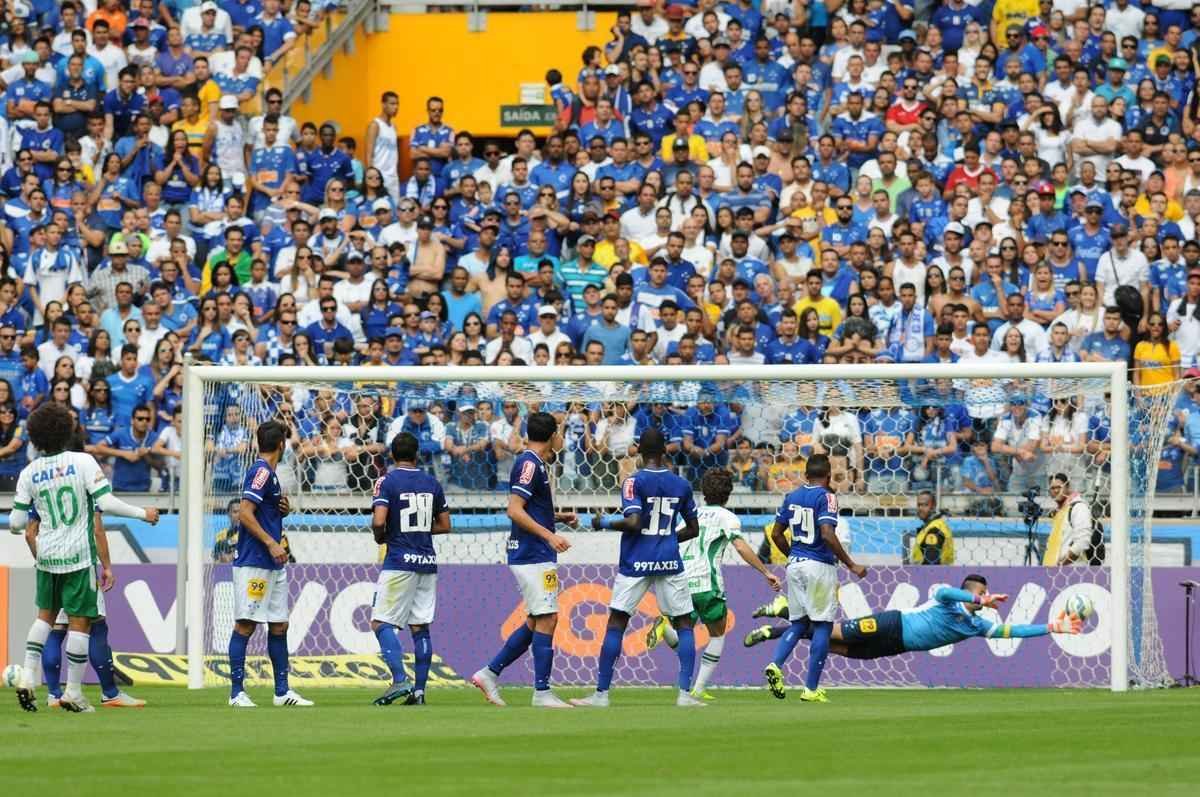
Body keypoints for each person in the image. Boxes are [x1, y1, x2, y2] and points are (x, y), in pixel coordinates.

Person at [10, 402, 160, 713]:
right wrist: (142, 513)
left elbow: (15, 524)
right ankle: (74, 693)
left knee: (45, 619)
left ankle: (27, 674)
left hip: (47, 558)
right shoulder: (82, 462)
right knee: (81, 625)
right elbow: (106, 502)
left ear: (35, 437)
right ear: (67, 430)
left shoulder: (28, 473)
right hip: (78, 558)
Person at [571, 428, 703, 708]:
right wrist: (666, 539)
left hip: (636, 561)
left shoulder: (633, 482)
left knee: (617, 621)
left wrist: (602, 523)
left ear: (638, 450)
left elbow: (633, 522)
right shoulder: (681, 485)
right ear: (665, 450)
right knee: (683, 624)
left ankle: (601, 695)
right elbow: (693, 529)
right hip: (669, 560)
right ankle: (685, 695)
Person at [643, 468, 781, 699]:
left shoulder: (688, 514)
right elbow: (740, 546)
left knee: (684, 634)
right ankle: (697, 689)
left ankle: (665, 630)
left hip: (680, 581)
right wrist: (765, 571)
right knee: (717, 634)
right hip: (707, 583)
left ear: (703, 492)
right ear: (728, 494)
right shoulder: (727, 517)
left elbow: (671, 543)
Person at [470, 411, 576, 709]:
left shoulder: (537, 464)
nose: (562, 438)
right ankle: (541, 692)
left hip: (536, 551)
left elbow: (529, 508)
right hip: (532, 553)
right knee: (549, 617)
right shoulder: (528, 464)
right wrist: (549, 535)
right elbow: (514, 510)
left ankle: (489, 673)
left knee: (536, 619)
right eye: (560, 433)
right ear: (553, 435)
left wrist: (556, 519)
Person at [745, 574, 1082, 658]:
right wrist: (978, 597)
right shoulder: (950, 602)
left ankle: (775, 631)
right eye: (978, 593)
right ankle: (786, 610)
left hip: (897, 645)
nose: (980, 599)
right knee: (833, 632)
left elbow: (1012, 631)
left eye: (982, 594)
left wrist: (1054, 626)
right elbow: (944, 592)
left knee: (839, 649)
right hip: (892, 622)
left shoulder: (976, 625)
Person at [763, 453, 867, 703]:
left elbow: (776, 534)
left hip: (795, 565)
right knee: (822, 625)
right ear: (828, 476)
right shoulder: (828, 497)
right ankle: (810, 689)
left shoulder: (791, 497)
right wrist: (851, 564)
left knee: (799, 623)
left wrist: (794, 555)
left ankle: (775, 664)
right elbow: (828, 534)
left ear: (806, 475)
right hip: (819, 567)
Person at [227, 420, 313, 708]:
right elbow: (245, 513)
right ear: (282, 445)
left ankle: (282, 692)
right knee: (245, 624)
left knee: (279, 625)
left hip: (272, 564)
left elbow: (261, 512)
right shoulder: (261, 472)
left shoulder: (270, 476)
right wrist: (271, 542)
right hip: (255, 562)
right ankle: (236, 693)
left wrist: (280, 512)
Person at [370, 432, 450, 707]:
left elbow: (379, 520)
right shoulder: (432, 482)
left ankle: (399, 678)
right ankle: (419, 692)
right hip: (427, 562)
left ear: (392, 455)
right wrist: (416, 527)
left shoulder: (387, 481)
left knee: (380, 622)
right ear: (417, 455)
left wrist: (382, 535)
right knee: (420, 627)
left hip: (399, 561)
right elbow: (445, 525)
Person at [1044, 473, 1103, 566]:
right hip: (1055, 571)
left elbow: (1082, 542)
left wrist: (1061, 564)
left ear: (1068, 487)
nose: (1055, 491)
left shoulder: (1078, 507)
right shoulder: (1059, 511)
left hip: (1072, 571)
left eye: (1059, 487)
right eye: (1052, 488)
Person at [907, 491, 955, 565]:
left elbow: (931, 566)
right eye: (919, 505)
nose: (920, 508)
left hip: (929, 575)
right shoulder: (934, 526)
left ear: (934, 506)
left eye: (925, 505)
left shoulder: (934, 530)